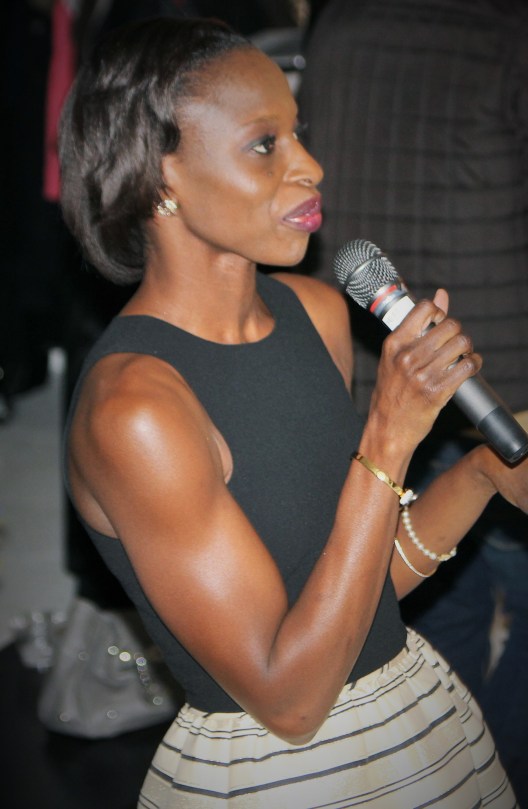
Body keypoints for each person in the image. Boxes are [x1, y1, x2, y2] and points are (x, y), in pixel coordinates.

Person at [58, 16, 528, 807]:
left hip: (413, 723)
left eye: (299, 133)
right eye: (265, 144)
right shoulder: (134, 407)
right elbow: (290, 697)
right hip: (279, 771)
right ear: (163, 176)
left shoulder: (317, 313)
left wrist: (482, 474)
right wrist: (391, 431)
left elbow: (356, 589)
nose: (311, 166)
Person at [297, 1, 528, 801]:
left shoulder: (340, 20)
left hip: (378, 371)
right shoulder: (508, 24)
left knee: (430, 621)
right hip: (498, 381)